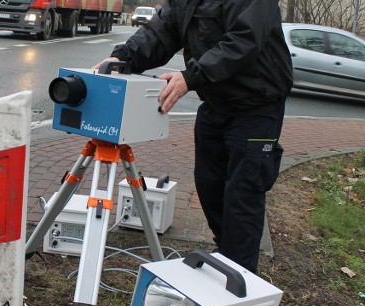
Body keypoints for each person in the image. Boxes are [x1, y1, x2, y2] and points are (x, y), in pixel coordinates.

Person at [94, 0, 293, 274]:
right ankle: (226, 256)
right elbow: (161, 31)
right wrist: (122, 58)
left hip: (256, 108)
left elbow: (244, 40)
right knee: (210, 188)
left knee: (242, 197)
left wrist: (191, 77)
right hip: (215, 102)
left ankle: (240, 279)